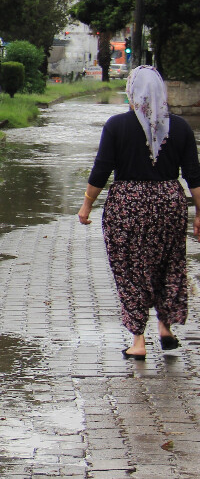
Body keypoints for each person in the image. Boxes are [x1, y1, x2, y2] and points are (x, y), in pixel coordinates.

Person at [78, 65, 200, 360]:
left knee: (131, 270)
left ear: (132, 91)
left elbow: (101, 169)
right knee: (168, 263)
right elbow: (194, 176)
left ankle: (138, 341)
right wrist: (198, 213)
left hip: (126, 206)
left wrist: (86, 205)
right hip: (169, 204)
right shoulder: (180, 127)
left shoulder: (116, 125)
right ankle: (165, 328)